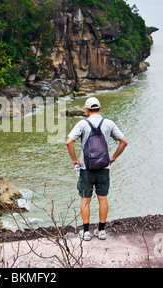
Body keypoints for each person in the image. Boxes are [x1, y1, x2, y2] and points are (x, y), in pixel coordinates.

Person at [66, 97, 128, 240]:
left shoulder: (82, 124)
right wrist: (113, 158)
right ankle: (101, 231)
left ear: (87, 110)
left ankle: (86, 232)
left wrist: (75, 160)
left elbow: (69, 142)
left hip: (86, 168)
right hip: (104, 167)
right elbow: (124, 142)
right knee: (103, 198)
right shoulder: (109, 123)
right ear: (100, 109)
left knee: (85, 199)